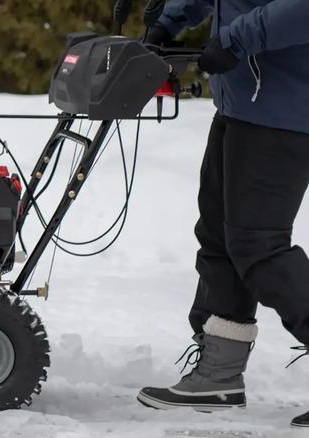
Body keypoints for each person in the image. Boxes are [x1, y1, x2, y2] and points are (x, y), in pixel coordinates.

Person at [133, 0, 309, 429]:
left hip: (283, 110)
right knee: (219, 239)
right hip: (240, 103)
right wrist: (166, 22)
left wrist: (234, 39)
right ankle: (219, 373)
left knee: (259, 247)